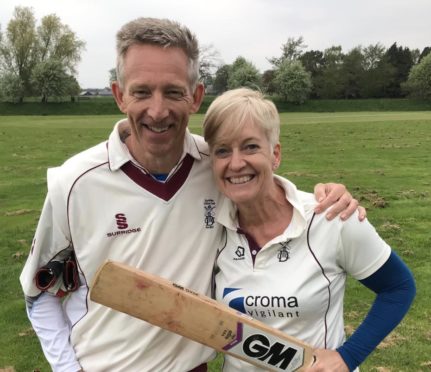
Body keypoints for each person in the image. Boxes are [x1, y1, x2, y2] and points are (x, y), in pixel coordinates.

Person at [20, 18, 363, 372]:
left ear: (196, 96)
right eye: (141, 92)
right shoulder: (74, 182)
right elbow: (40, 294)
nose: (157, 110)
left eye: (172, 91)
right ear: (119, 95)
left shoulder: (214, 166)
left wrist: (328, 197)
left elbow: (264, 185)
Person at [203, 88, 416, 372]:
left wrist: (347, 357)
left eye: (251, 146)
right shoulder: (212, 226)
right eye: (222, 151)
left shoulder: (330, 215)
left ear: (275, 154)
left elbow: (398, 287)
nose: (236, 162)